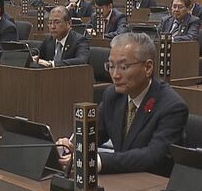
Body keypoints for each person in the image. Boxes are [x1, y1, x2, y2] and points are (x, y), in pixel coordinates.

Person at [56, 32, 188, 175]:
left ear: (148, 67)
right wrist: (71, 146)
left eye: (123, 67)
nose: (115, 75)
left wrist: (97, 161)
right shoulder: (112, 95)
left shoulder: (172, 106)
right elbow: (93, 135)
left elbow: (153, 156)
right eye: (111, 66)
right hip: (122, 180)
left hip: (153, 185)